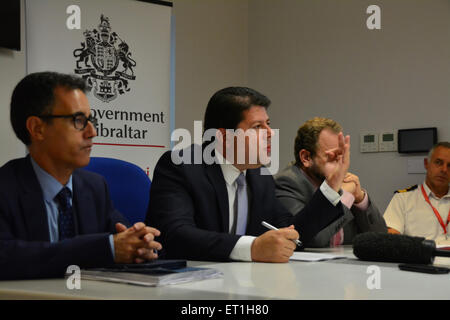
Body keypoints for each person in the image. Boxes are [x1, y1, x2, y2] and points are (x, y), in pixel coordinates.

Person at [146, 87, 349, 263]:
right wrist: (252, 248)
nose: (271, 133)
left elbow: (293, 233)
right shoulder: (180, 166)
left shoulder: (259, 176)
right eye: (258, 127)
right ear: (225, 137)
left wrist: (331, 186)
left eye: (268, 124)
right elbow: (175, 236)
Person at [0, 71, 162, 280]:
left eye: (90, 120)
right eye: (78, 120)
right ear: (37, 128)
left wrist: (140, 245)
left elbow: (126, 240)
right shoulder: (5, 188)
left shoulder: (94, 187)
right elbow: (6, 256)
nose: (92, 132)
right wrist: (106, 248)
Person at [274, 117, 387, 247]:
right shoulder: (287, 183)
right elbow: (311, 239)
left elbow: (381, 237)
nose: (341, 166)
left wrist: (360, 200)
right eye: (332, 158)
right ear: (306, 158)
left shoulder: (341, 181)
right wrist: (344, 196)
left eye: (342, 157)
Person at [384, 142, 450, 244]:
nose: (444, 170)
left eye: (449, 165)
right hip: (420, 259)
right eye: (438, 162)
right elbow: (391, 240)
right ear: (426, 164)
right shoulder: (403, 199)